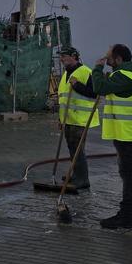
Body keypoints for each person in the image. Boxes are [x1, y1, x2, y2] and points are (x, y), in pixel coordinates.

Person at [69, 44, 132, 229]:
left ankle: (126, 216)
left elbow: (100, 87)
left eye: (109, 58)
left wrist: (98, 68)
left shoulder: (123, 76)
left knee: (128, 175)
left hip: (128, 134)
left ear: (118, 59)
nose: (107, 61)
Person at [56, 46, 97, 190]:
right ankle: (76, 175)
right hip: (69, 119)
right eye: (60, 56)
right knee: (72, 148)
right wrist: (61, 120)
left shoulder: (85, 72)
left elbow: (94, 93)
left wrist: (77, 85)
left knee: (78, 149)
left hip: (81, 119)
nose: (61, 59)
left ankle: (82, 179)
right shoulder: (66, 74)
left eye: (64, 56)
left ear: (74, 56)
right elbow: (63, 99)